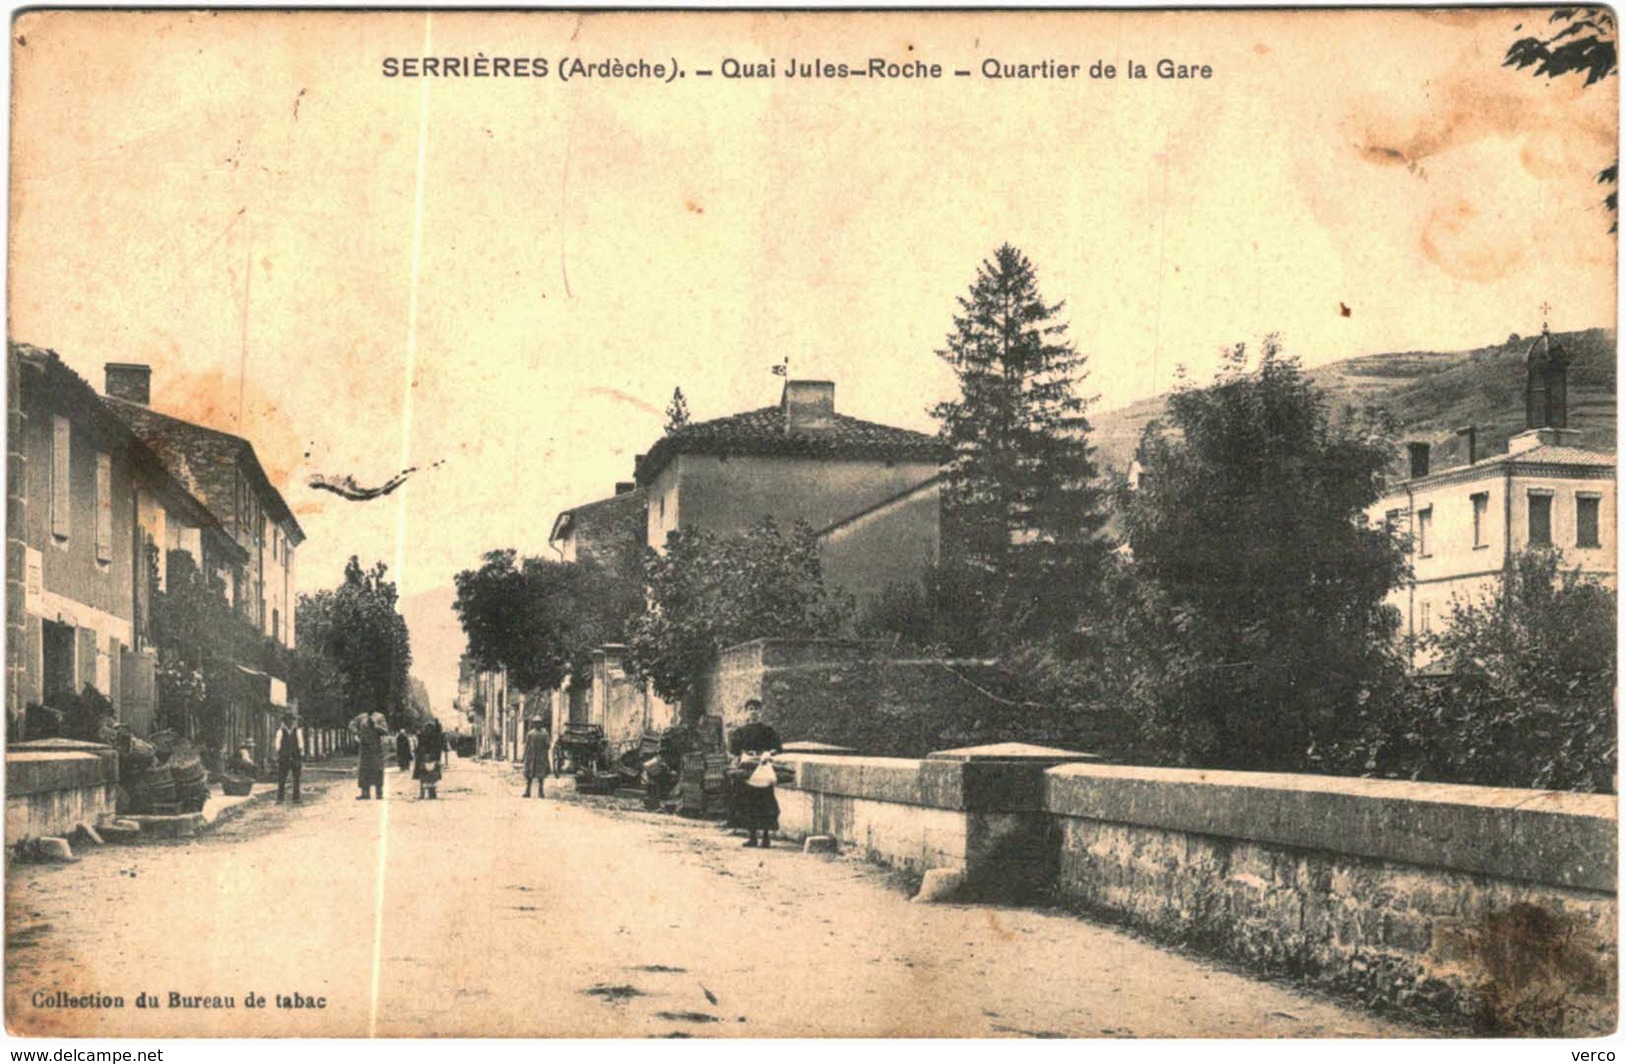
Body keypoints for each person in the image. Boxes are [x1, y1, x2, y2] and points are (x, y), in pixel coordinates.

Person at [728, 700, 783, 848]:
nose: (753, 712)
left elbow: (777, 748)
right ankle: (752, 836)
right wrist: (738, 761)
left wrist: (768, 753)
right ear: (746, 712)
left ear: (761, 712)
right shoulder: (740, 731)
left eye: (756, 709)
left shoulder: (768, 730)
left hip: (763, 767)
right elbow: (734, 752)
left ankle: (765, 837)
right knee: (748, 801)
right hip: (748, 768)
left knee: (766, 802)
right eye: (750, 709)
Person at [349, 710, 389, 799]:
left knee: (377, 769)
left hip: (376, 748)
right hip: (364, 748)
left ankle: (379, 793)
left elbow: (386, 731)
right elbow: (351, 724)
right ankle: (365, 793)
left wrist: (376, 726)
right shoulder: (362, 717)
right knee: (364, 770)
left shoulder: (380, 717)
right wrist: (357, 732)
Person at [274, 712, 303, 804]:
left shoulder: (297, 731)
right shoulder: (280, 731)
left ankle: (296, 797)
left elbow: (301, 744)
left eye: (291, 721)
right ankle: (280, 798)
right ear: (285, 722)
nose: (290, 723)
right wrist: (282, 754)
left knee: (296, 778)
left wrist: (298, 754)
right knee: (282, 778)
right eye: (288, 721)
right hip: (284, 758)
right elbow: (277, 745)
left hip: (295, 757)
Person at [414, 718, 445, 800]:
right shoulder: (435, 737)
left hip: (425, 759)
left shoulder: (422, 736)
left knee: (424, 778)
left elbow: (419, 747)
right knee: (431, 777)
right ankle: (432, 794)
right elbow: (440, 743)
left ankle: (423, 794)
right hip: (431, 759)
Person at [522, 718, 551, 798]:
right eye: (536, 723)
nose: (537, 724)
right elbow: (527, 745)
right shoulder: (531, 734)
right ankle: (528, 792)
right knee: (529, 776)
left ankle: (540, 792)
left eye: (538, 723)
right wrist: (524, 756)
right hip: (532, 757)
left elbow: (548, 745)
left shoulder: (544, 734)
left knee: (540, 776)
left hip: (539, 757)